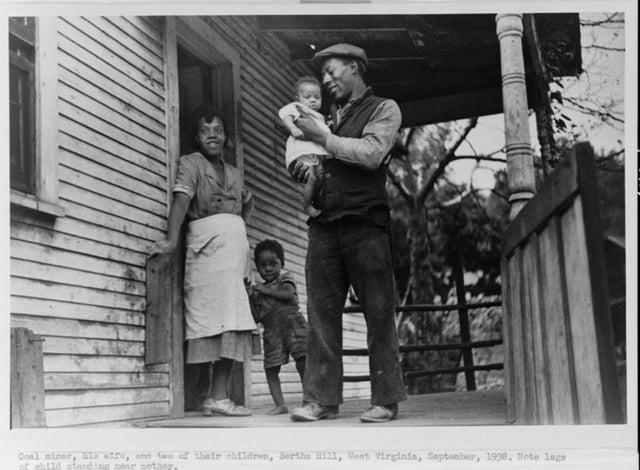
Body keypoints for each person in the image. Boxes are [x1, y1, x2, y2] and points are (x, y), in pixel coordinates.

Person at [288, 43, 407, 423]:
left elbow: (371, 154)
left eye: (331, 71)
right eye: (322, 75)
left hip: (366, 224)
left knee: (378, 311)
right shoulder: (325, 116)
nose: (325, 80)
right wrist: (303, 170)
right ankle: (321, 400)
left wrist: (322, 139)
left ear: (355, 67)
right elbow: (312, 156)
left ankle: (386, 400)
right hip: (324, 224)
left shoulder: (384, 109)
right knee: (320, 314)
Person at [148, 107, 257, 417]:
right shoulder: (191, 164)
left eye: (218, 130)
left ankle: (218, 395)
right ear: (196, 137)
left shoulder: (234, 172)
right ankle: (207, 396)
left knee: (233, 320)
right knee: (208, 320)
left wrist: (243, 222)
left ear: (226, 137)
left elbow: (242, 209)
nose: (213, 135)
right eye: (206, 131)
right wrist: (170, 241)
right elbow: (182, 201)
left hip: (234, 254)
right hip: (207, 251)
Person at [248, 239, 308, 415]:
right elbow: (256, 316)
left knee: (303, 361)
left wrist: (262, 290)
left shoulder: (286, 278)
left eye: (272, 264)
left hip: (293, 326)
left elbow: (288, 295)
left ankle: (309, 399)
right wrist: (250, 297)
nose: (267, 269)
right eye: (262, 265)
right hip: (272, 331)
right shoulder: (258, 292)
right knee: (271, 368)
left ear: (282, 263)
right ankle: (280, 404)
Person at [278, 76, 331, 217]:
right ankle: (307, 205)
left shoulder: (319, 117)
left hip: (315, 155)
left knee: (321, 178)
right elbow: (285, 115)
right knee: (311, 178)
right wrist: (292, 128)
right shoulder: (298, 108)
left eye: (317, 97)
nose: (313, 100)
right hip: (301, 151)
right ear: (298, 98)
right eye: (307, 96)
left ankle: (316, 202)